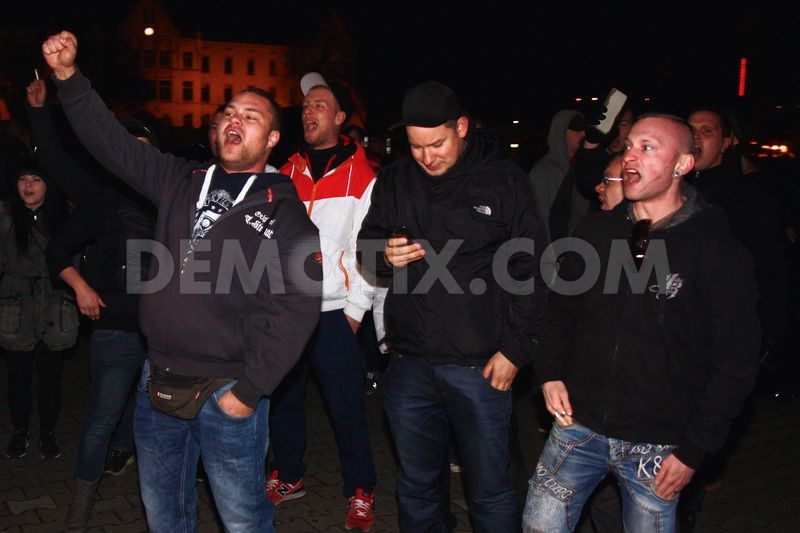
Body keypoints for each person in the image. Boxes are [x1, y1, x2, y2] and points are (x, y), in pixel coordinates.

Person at [42, 30, 322, 532]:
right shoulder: (180, 180)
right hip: (159, 384)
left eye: (251, 116)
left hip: (229, 390)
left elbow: (299, 308)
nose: (234, 120)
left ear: (273, 139)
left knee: (241, 519)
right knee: (164, 513)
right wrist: (69, 78)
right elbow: (110, 144)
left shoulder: (288, 214)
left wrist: (251, 391)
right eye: (229, 113)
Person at [522, 114, 761, 533]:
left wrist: (694, 451)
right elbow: (560, 312)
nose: (631, 156)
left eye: (648, 148)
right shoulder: (597, 230)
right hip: (578, 427)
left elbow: (735, 361)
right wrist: (550, 372)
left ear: (682, 165)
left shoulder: (717, 251)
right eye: (629, 145)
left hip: (658, 444)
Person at [357, 80, 549, 532]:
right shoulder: (395, 178)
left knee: (491, 490)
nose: (428, 156)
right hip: (409, 363)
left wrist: (516, 351)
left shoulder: (505, 181)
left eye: (437, 143)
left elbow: (531, 269)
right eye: (416, 146)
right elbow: (365, 244)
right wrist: (381, 253)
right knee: (417, 485)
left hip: (482, 368)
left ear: (461, 127)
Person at [25, 77, 155, 530]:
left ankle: (157, 500)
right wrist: (81, 286)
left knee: (154, 419)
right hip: (117, 329)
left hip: (165, 335)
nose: (134, 157)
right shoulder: (105, 199)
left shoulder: (173, 199)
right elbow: (57, 245)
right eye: (127, 147)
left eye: (142, 147)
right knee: (102, 418)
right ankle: (79, 508)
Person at [267, 72, 378, 532]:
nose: (308, 111)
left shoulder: (364, 175)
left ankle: (361, 489)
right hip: (288, 310)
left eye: (319, 104)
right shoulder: (285, 171)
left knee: (345, 406)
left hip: (334, 312)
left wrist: (355, 311)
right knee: (283, 398)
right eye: (305, 105)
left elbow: (365, 249)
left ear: (339, 117)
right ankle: (290, 476)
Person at [1, 165, 77, 460]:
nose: (28, 186)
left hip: (55, 307)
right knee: (17, 376)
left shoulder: (64, 220)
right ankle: (20, 431)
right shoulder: (6, 222)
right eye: (22, 179)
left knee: (50, 377)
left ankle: (48, 432)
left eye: (35, 179)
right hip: (16, 309)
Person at [528, 109, 585, 237]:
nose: (583, 133)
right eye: (577, 129)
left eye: (584, 128)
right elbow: (544, 218)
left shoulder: (574, 168)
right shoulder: (546, 170)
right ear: (561, 131)